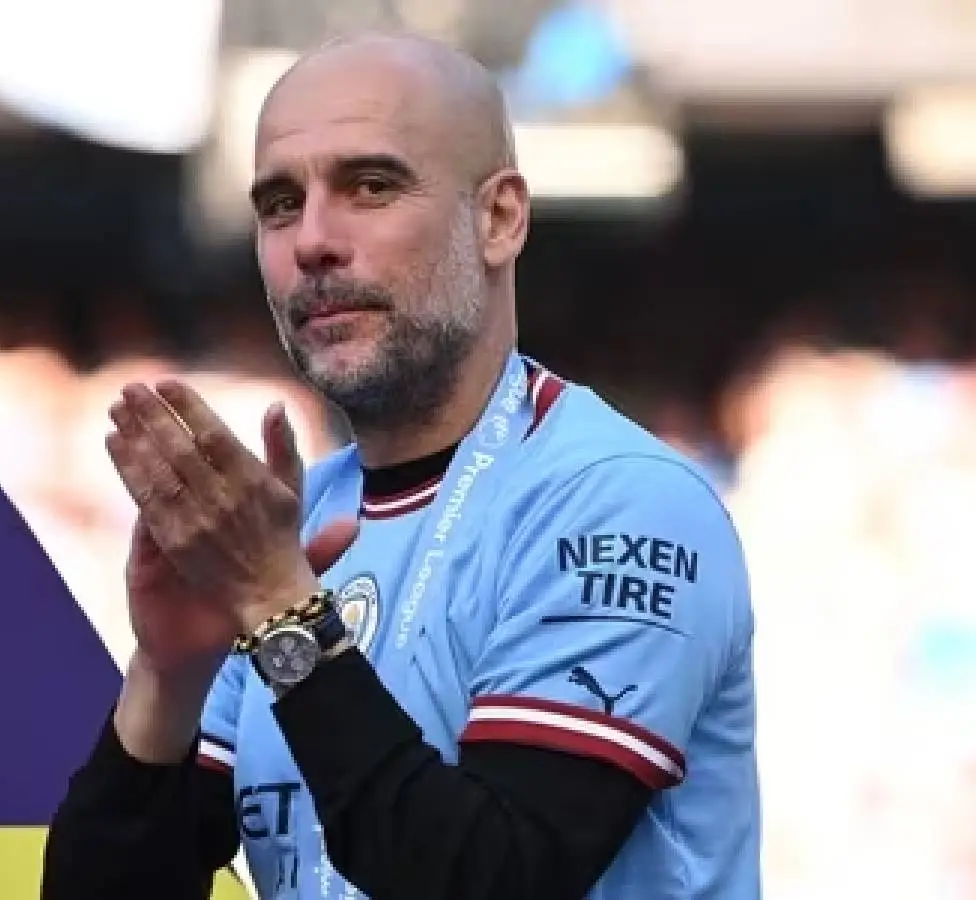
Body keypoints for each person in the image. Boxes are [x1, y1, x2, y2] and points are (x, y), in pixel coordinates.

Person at [41, 31, 761, 900]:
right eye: (279, 204)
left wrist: (280, 611)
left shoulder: (619, 503)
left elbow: (489, 880)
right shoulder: (293, 529)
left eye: (371, 186)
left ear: (499, 219)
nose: (313, 241)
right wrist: (168, 674)